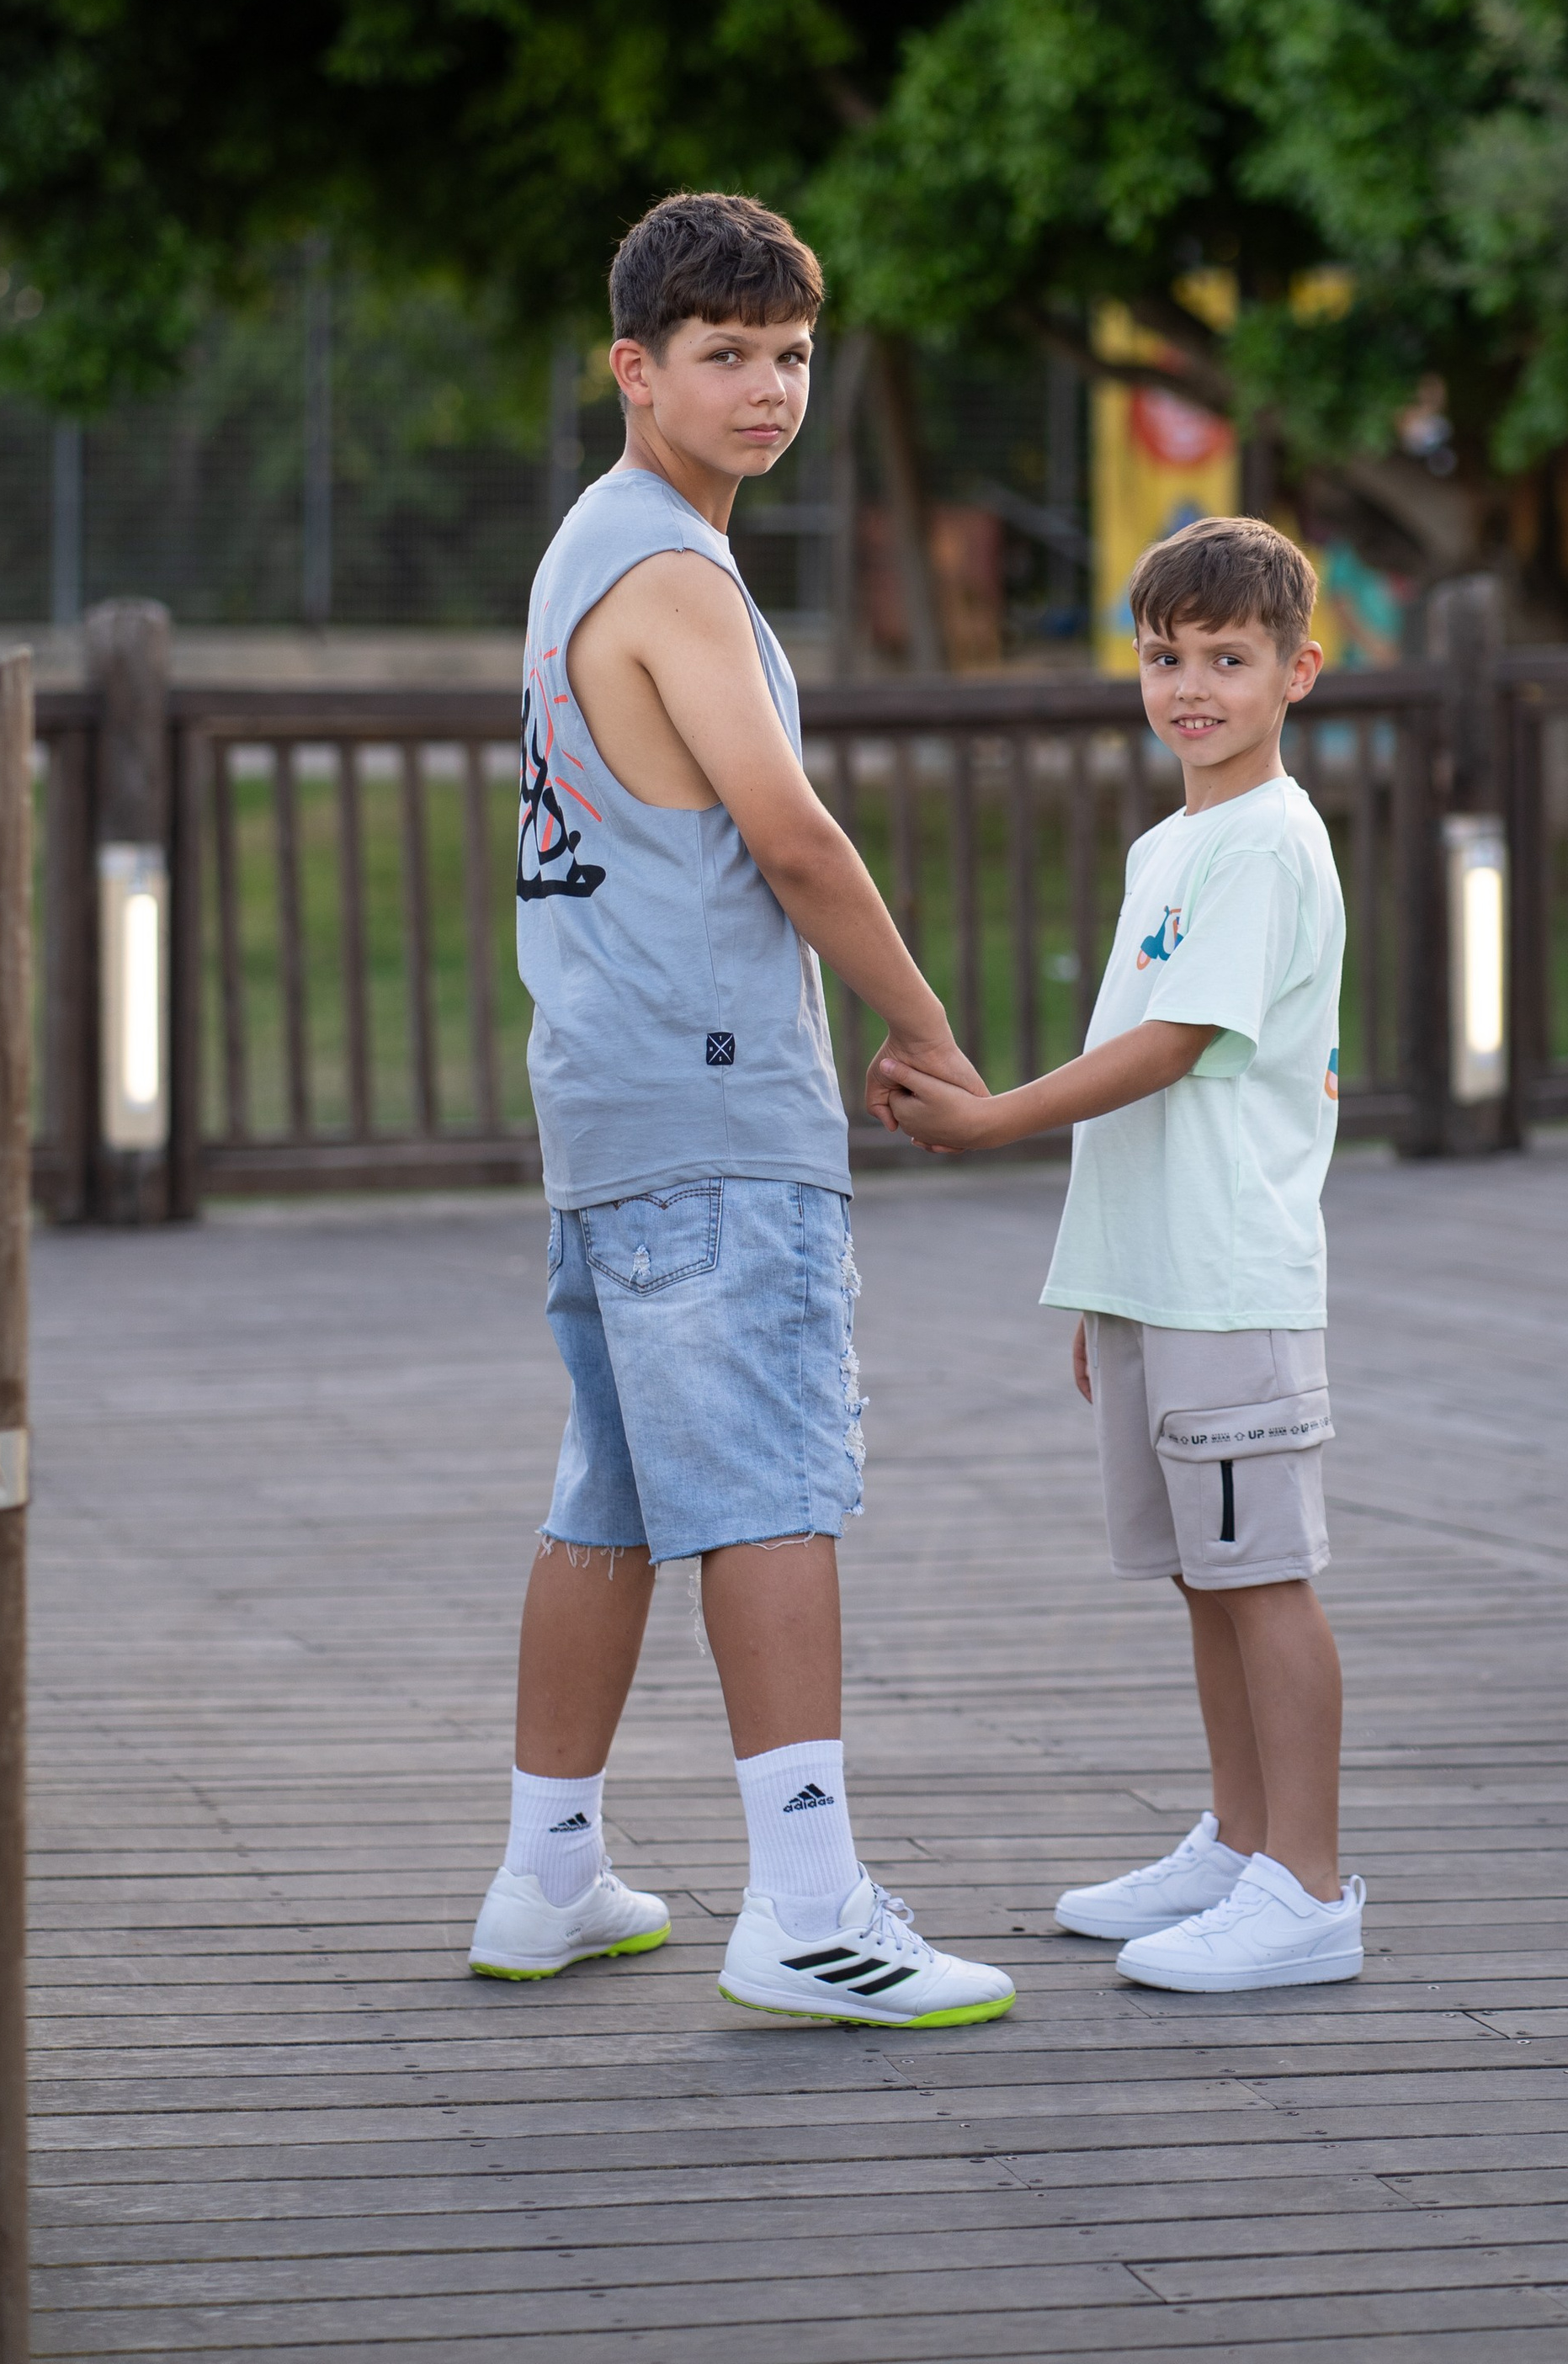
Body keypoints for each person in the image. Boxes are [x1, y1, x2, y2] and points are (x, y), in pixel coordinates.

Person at [470, 190, 1015, 2031]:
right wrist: (933, 1032)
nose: (768, 389)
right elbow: (788, 834)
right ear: (634, 369)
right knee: (772, 1488)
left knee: (610, 1499)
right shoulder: (672, 575)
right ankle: (804, 1907)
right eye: (725, 357)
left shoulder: (584, 549)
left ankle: (548, 1872)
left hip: (609, 1095)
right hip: (709, 1099)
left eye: (789, 354)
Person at [885, 513, 1363, 1994]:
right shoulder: (1176, 840)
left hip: (1230, 1272)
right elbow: (1139, 1060)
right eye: (1167, 657)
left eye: (1230, 657)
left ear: (1301, 670)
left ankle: (1309, 1884)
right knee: (1204, 1573)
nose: (1193, 687)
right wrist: (1105, 1285)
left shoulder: (1269, 844)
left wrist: (988, 1121)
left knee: (1264, 1574)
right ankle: (1238, 1843)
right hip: (1161, 1275)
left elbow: (1170, 1048)